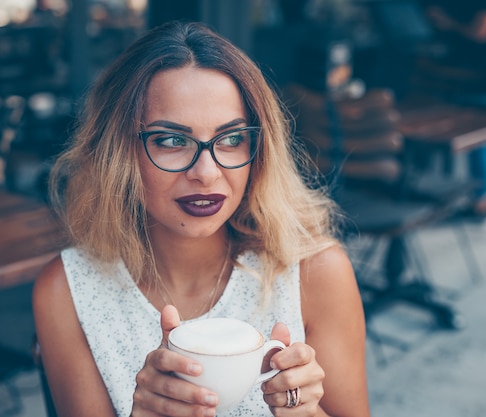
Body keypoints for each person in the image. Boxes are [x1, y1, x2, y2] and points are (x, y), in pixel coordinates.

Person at [33, 21, 370, 417]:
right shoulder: (67, 292)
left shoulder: (316, 273)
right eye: (173, 140)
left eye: (231, 139)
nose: (206, 173)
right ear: (118, 151)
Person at [420, 0, 486, 217]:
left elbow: (481, 32)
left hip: (482, 76)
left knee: (480, 138)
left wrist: (448, 23)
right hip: (456, 74)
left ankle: (483, 201)